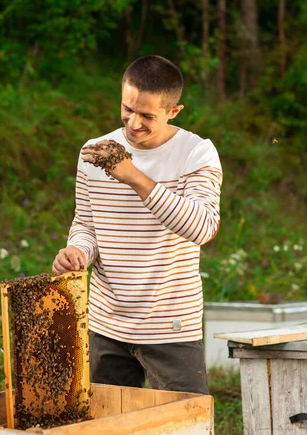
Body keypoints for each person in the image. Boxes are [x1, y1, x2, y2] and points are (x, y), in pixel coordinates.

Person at [52, 55, 222, 394]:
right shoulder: (93, 152)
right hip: (105, 324)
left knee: (185, 425)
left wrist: (133, 176)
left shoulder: (196, 154)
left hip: (171, 326)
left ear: (174, 111)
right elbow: (86, 223)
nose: (133, 123)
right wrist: (78, 252)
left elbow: (202, 227)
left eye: (147, 115)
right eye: (127, 109)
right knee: (107, 426)